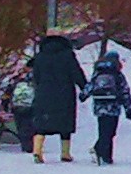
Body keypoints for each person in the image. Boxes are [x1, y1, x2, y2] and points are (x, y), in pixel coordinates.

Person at [23, 33, 86, 164]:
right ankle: (65, 153)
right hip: (65, 93)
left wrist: (40, 88)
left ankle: (37, 151)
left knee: (42, 123)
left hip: (44, 93)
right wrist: (85, 87)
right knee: (65, 123)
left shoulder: (40, 57)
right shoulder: (68, 55)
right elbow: (76, 73)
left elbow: (36, 77)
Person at [86, 47, 131, 164]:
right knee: (111, 131)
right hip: (113, 106)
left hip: (99, 105)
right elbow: (124, 91)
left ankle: (102, 152)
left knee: (103, 129)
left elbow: (89, 87)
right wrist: (128, 108)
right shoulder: (117, 74)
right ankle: (105, 154)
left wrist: (83, 95)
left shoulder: (98, 73)